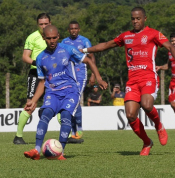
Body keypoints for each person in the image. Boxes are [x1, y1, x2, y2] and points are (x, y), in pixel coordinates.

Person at [81, 7, 175, 156]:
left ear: (144, 19)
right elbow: (105, 45)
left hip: (149, 77)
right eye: (133, 19)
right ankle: (147, 142)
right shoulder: (126, 36)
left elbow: (170, 46)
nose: (135, 21)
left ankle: (159, 126)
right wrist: (84, 51)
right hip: (133, 81)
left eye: (138, 18)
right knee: (130, 115)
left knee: (147, 104)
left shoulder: (153, 34)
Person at [23, 25, 107, 160]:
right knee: (45, 114)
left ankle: (60, 152)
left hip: (70, 91)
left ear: (58, 36)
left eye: (54, 38)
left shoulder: (68, 49)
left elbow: (88, 60)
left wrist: (98, 78)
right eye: (48, 38)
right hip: (53, 92)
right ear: (44, 38)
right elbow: (42, 83)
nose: (52, 41)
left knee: (66, 116)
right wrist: (33, 100)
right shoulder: (40, 58)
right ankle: (36, 150)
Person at [13, 13, 51, 145]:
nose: (43, 26)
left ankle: (68, 135)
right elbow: (25, 57)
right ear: (37, 25)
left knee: (58, 101)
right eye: (41, 24)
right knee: (30, 104)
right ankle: (18, 136)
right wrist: (37, 63)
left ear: (50, 24)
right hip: (35, 74)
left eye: (46, 23)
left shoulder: (53, 37)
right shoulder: (32, 37)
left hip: (52, 75)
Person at [60, 21, 96, 139]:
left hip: (81, 74)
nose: (73, 30)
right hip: (68, 75)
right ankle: (73, 128)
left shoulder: (84, 41)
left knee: (75, 98)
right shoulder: (64, 42)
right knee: (70, 100)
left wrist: (93, 75)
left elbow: (91, 57)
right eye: (71, 29)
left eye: (75, 28)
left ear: (79, 29)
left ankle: (78, 128)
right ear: (68, 30)